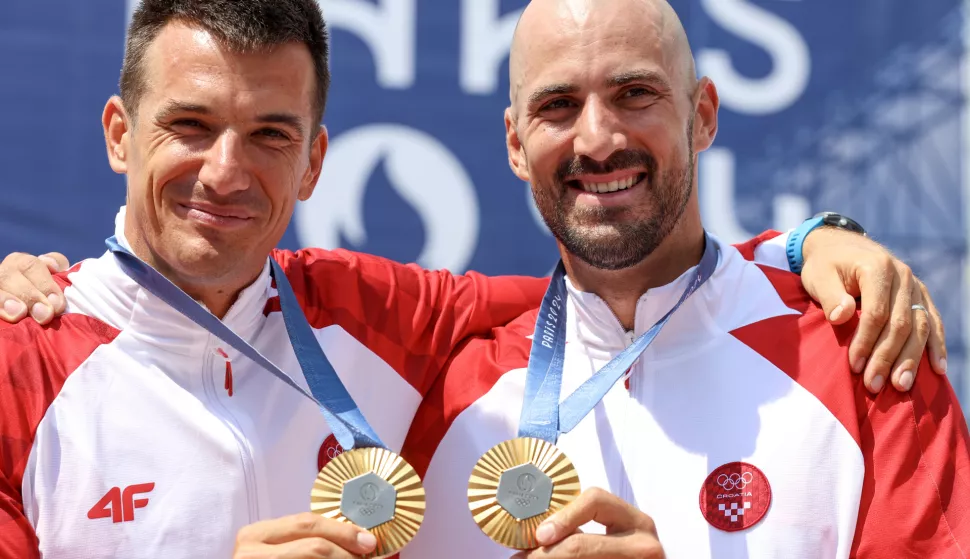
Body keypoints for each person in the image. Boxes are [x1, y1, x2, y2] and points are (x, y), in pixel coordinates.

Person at [0, 2, 952, 559]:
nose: (225, 170)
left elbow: (638, 290)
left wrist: (803, 246)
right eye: (190, 125)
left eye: (634, 94)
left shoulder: (868, 355)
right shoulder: (18, 361)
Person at [387, 0, 970, 557]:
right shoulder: (441, 404)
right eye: (558, 105)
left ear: (703, 117)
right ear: (517, 145)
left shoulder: (865, 352)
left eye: (634, 94)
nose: (598, 140)